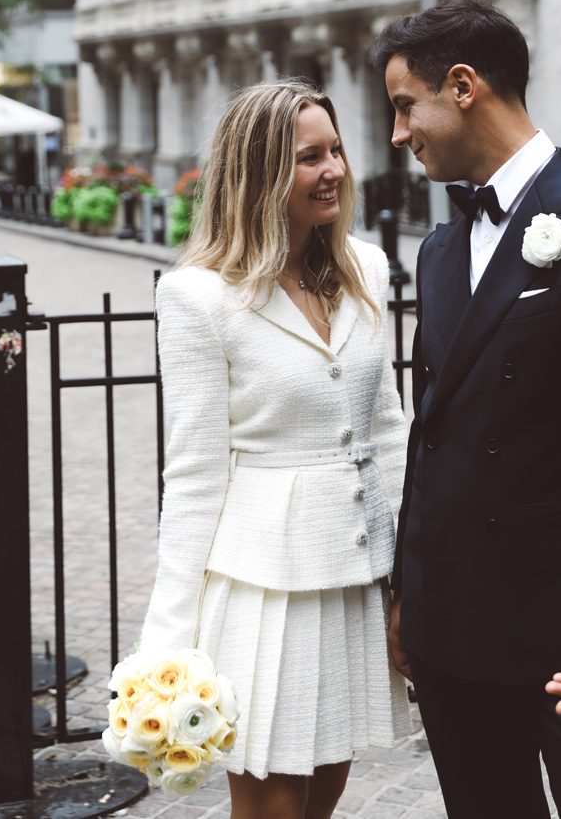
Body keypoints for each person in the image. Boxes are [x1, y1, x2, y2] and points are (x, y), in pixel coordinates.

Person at [367, 0, 561, 819]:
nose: (399, 134)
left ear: (463, 86)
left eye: (406, 106)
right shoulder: (437, 250)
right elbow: (431, 434)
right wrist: (410, 594)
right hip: (449, 638)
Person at [140, 80, 410, 819]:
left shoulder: (367, 270)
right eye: (307, 158)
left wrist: (412, 567)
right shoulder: (198, 296)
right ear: (259, 172)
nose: (333, 170)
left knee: (322, 797)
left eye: (336, 152)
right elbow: (193, 471)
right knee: (272, 809)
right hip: (264, 592)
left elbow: (389, 426)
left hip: (356, 574)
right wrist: (166, 642)